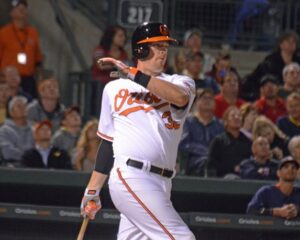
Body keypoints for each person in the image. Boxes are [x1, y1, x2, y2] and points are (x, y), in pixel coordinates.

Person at [80, 22, 196, 240]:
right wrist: (93, 189)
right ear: (140, 50)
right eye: (157, 46)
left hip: (163, 183)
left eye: (165, 46)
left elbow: (180, 98)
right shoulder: (114, 88)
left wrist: (133, 74)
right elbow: (107, 143)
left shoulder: (180, 82)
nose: (163, 51)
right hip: (131, 175)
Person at [0, 0, 43, 98]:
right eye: (18, 7)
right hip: (8, 80)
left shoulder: (33, 33)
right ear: (11, 13)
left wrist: (40, 79)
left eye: (24, 7)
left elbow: (38, 60)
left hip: (28, 79)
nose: (21, 9)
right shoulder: (3, 33)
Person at [178, 88, 224, 175]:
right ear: (196, 103)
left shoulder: (220, 125)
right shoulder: (187, 122)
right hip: (194, 161)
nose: (207, 101)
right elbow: (184, 144)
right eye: (203, 98)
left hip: (216, 162)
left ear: (215, 104)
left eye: (210, 98)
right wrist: (207, 151)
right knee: (206, 162)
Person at [90, 25, 130, 116]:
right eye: (120, 36)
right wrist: (117, 64)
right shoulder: (100, 50)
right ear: (111, 36)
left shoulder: (123, 53)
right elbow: (100, 65)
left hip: (117, 91)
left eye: (124, 36)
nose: (123, 39)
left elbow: (124, 71)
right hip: (100, 90)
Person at [206, 106, 252, 178]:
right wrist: (232, 168)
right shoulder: (218, 141)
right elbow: (211, 165)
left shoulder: (247, 142)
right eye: (233, 115)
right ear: (226, 121)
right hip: (224, 178)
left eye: (239, 116)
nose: (237, 117)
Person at [0, 95, 34, 166]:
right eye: (19, 106)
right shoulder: (4, 130)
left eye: (25, 106)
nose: (23, 108)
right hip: (14, 168)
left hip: (35, 167)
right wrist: (31, 157)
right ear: (11, 112)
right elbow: (7, 153)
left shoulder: (34, 129)